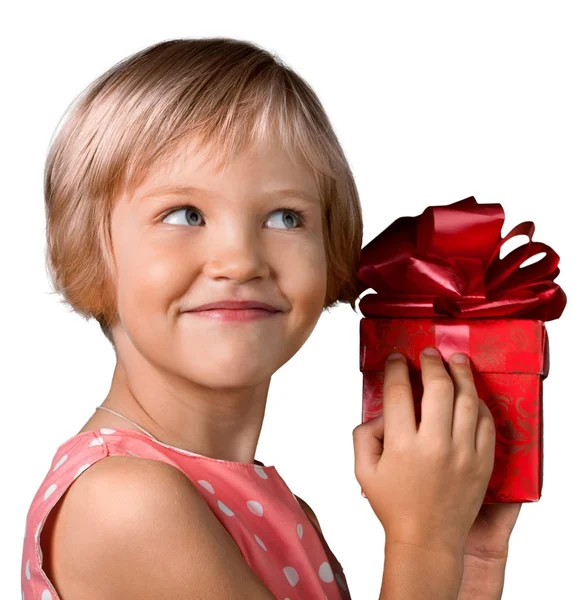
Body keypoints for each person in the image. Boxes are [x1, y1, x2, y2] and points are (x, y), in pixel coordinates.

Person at [21, 37, 521, 600]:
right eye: (184, 214)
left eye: (286, 217)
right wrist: (423, 541)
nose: (240, 260)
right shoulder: (124, 503)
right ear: (92, 250)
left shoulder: (264, 503)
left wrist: (468, 556)